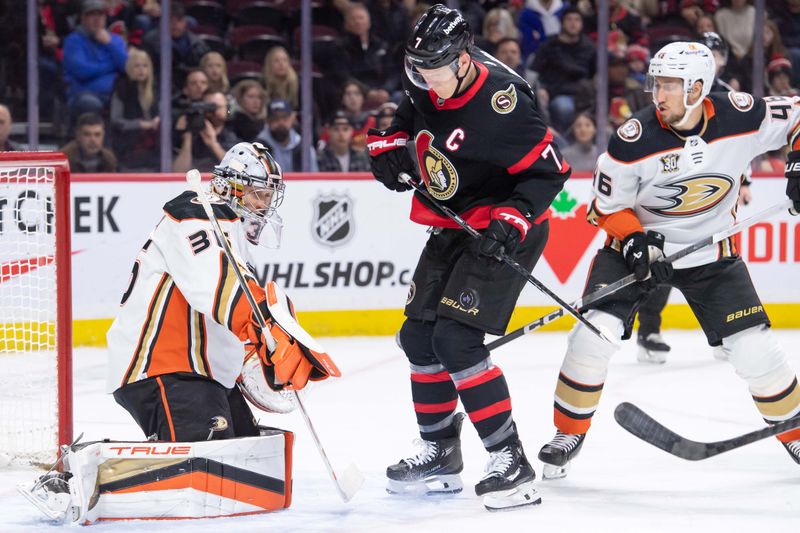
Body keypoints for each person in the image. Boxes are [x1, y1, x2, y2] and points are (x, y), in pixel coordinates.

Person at [537, 41, 800, 480]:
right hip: (634, 253)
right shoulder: (632, 139)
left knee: (756, 351)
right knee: (592, 338)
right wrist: (638, 241)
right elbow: (605, 208)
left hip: (712, 252)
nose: (658, 94)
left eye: (670, 86)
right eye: (656, 84)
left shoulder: (742, 114)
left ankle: (794, 435)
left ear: (698, 87)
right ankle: (568, 432)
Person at [367, 4, 571, 511]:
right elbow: (409, 114)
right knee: (418, 336)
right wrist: (391, 146)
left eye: (434, 68)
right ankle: (439, 450)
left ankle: (511, 460)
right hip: (453, 218)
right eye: (417, 67)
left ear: (462, 59)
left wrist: (512, 220)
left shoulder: (506, 104)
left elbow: (549, 173)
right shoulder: (424, 72)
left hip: (505, 227)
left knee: (455, 339)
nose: (423, 78)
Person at [62, 0, 128, 123]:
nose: (97, 19)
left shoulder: (115, 40)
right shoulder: (73, 40)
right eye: (92, 15)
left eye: (101, 15)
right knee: (90, 103)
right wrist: (112, 65)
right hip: (84, 94)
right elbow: (82, 72)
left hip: (115, 95)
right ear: (83, 18)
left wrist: (110, 44)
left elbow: (126, 66)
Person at [110, 48, 160, 171]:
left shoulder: (156, 89)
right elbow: (116, 121)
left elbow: (164, 113)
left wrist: (159, 120)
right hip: (128, 144)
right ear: (129, 68)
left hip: (154, 146)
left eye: (145, 66)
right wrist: (140, 124)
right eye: (137, 66)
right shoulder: (121, 88)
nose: (141, 69)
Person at [173, 90, 240, 173]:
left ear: (227, 108)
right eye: (209, 107)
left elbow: (237, 172)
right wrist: (187, 137)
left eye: (217, 107)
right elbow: (178, 172)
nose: (213, 112)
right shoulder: (192, 137)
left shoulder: (233, 137)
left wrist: (213, 144)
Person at [256, 99, 318, 172]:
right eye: (275, 118)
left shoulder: (304, 148)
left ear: (292, 119)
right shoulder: (258, 148)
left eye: (284, 118)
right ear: (267, 121)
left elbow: (313, 178)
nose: (280, 122)